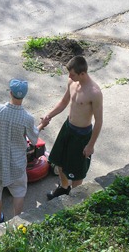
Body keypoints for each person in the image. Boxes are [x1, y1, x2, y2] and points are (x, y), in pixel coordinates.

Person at [0, 79, 49, 226]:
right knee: (19, 191)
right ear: (24, 96)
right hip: (16, 164)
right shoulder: (27, 118)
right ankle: (17, 220)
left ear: (10, 92)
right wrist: (42, 124)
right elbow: (34, 140)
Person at [43, 55, 103, 200]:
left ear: (82, 73)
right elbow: (64, 102)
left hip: (82, 135)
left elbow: (99, 121)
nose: (69, 76)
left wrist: (90, 145)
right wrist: (49, 115)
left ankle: (75, 196)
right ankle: (64, 188)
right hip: (67, 128)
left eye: (73, 74)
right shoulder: (72, 82)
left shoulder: (94, 93)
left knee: (77, 171)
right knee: (59, 161)